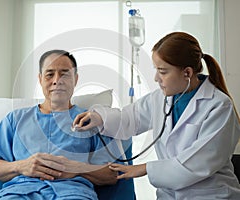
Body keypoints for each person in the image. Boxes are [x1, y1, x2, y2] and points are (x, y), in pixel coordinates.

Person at [73, 32, 240, 199]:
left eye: (163, 71)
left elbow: (199, 163)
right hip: (168, 195)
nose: (156, 78)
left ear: (187, 73)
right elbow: (129, 119)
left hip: (210, 194)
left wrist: (144, 168)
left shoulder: (219, 106)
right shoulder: (161, 98)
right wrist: (98, 117)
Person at [0, 49, 126, 200]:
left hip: (73, 193)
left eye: (65, 74)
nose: (57, 80)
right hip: (19, 193)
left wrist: (77, 169)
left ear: (75, 79)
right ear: (40, 79)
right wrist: (21, 166)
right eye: (50, 74)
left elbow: (111, 174)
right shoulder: (14, 119)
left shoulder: (92, 120)